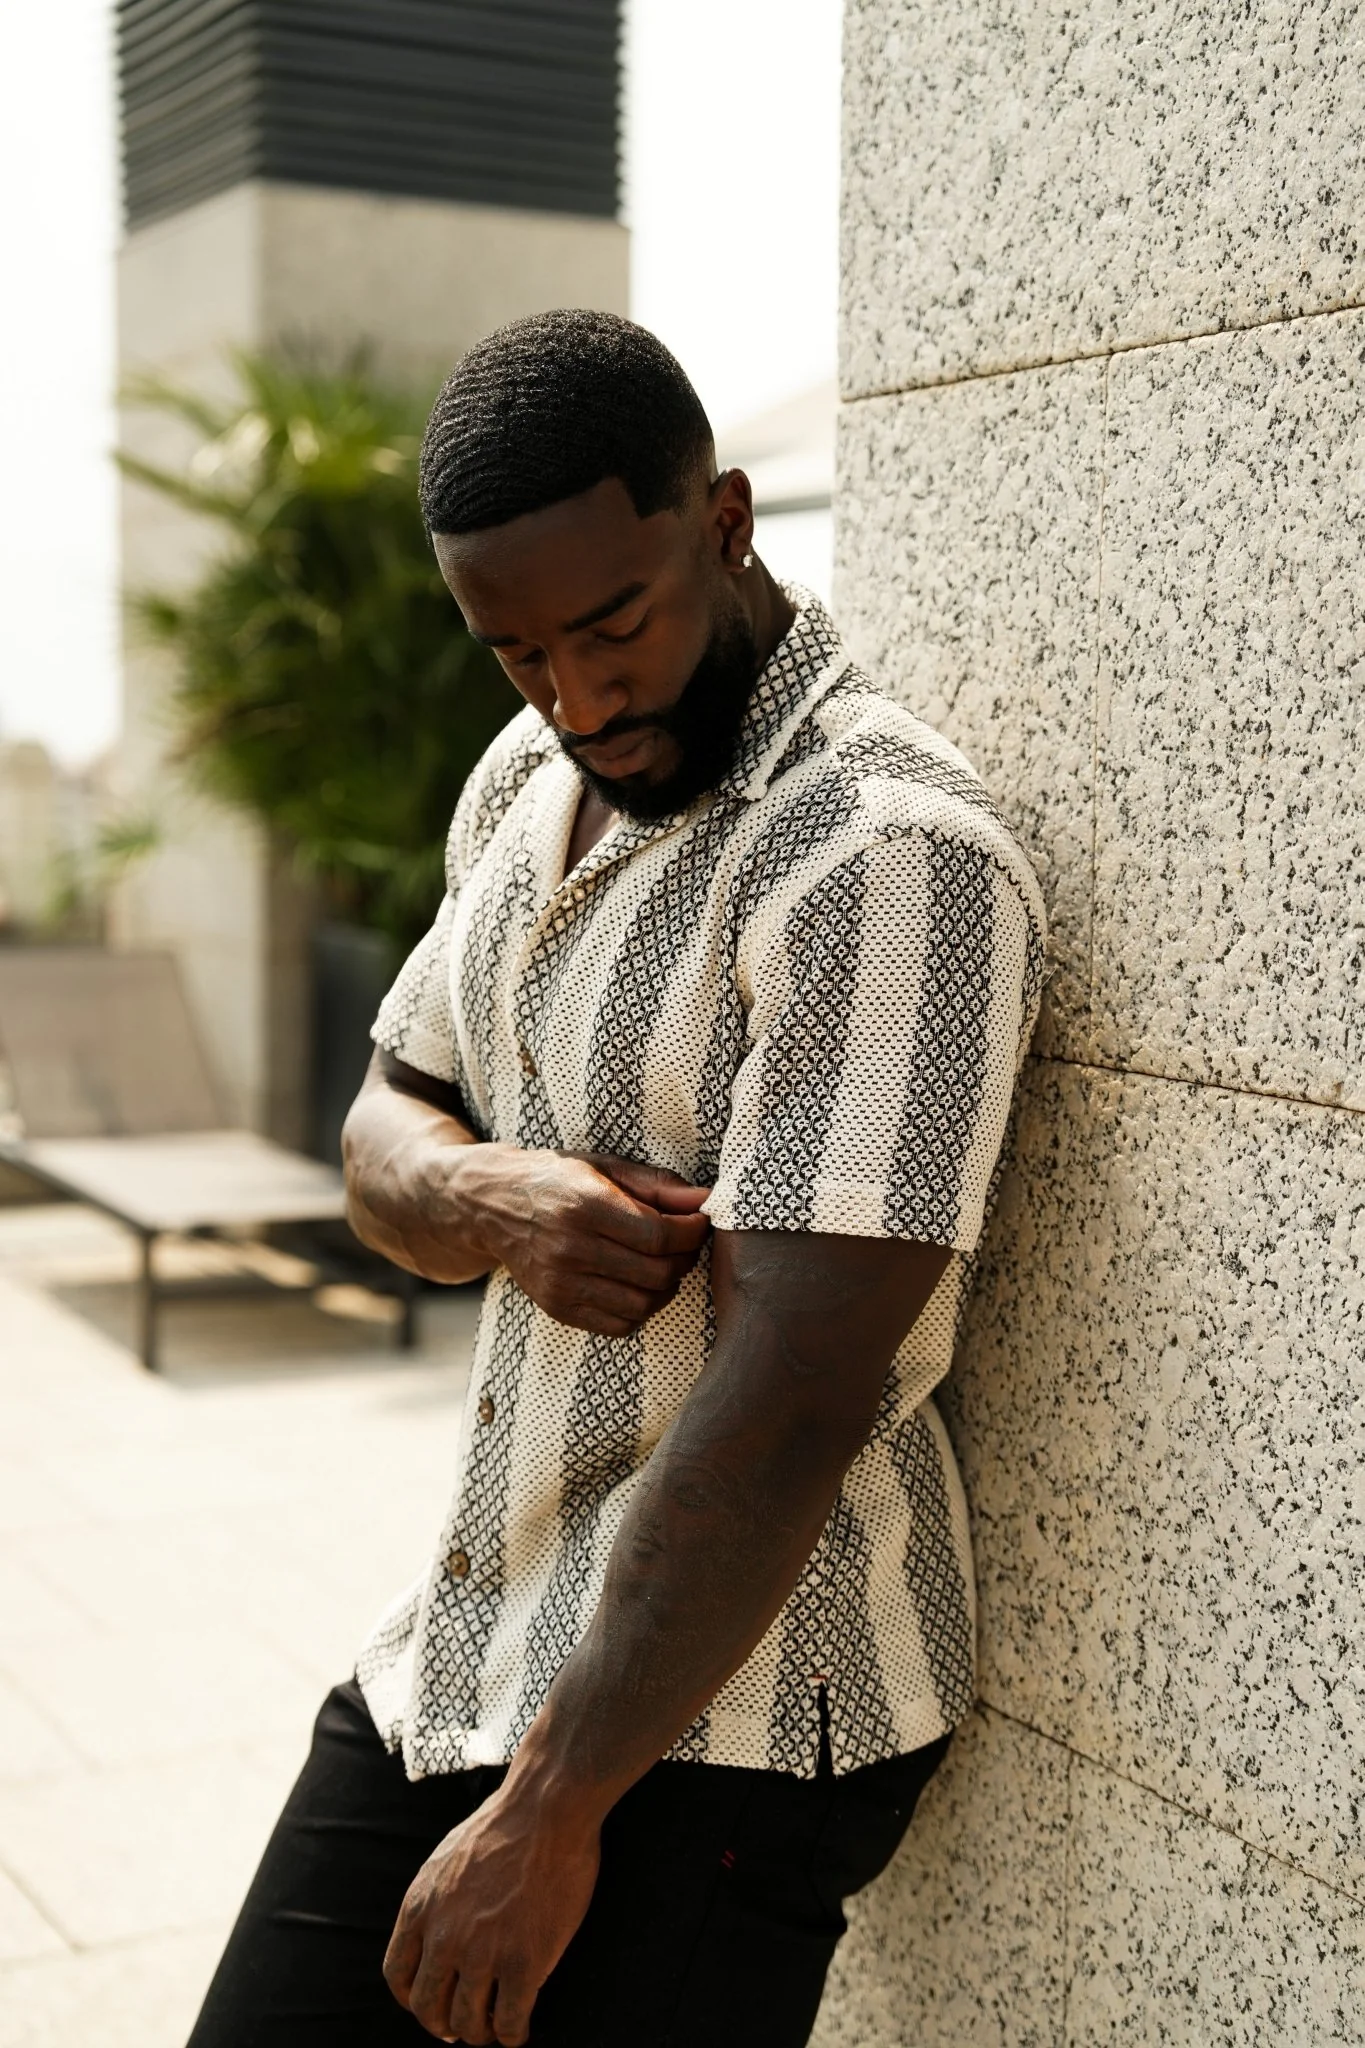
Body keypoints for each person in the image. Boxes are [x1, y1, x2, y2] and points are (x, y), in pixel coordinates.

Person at [187, 310, 1046, 2048]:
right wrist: (497, 1201)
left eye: (612, 628)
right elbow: (381, 1135)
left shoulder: (887, 859)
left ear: (724, 524)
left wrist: (551, 1811)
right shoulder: (528, 777)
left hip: (731, 1724)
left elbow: (792, 1403)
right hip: (473, 1644)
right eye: (519, 654)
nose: (580, 700)